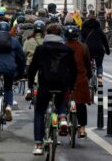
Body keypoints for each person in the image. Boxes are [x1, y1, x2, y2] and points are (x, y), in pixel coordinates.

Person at [27, 23, 77, 155]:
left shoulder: (41, 49)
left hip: (45, 84)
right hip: (62, 83)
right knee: (61, 100)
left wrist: (30, 83)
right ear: (60, 34)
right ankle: (62, 118)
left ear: (47, 34)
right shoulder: (67, 50)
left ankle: (38, 144)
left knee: (39, 112)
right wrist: (71, 86)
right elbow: (73, 70)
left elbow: (33, 68)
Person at [64, 25, 92, 138]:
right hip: (80, 79)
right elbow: (88, 64)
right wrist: (88, 75)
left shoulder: (63, 47)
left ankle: (63, 122)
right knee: (81, 104)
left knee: (63, 101)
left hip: (66, 78)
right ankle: (82, 129)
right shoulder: (83, 47)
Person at [81, 13, 110, 86]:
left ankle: (87, 78)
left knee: (86, 64)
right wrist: (107, 51)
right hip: (99, 49)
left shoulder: (84, 28)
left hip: (88, 50)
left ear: (87, 19)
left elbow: (81, 40)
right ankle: (99, 76)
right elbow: (104, 41)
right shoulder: (99, 29)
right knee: (99, 65)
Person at [23, 20, 45, 100]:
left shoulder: (28, 40)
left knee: (30, 77)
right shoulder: (45, 40)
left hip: (30, 63)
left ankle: (29, 90)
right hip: (43, 64)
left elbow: (24, 52)